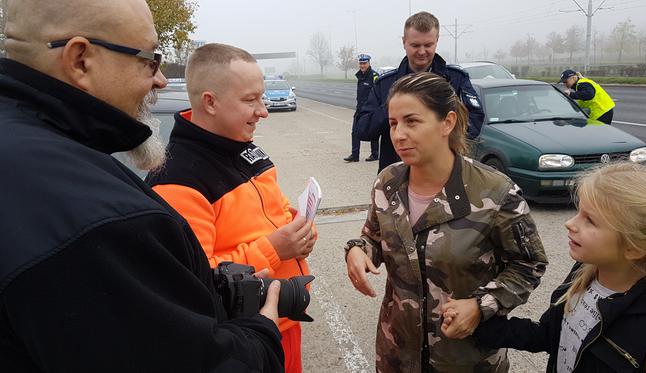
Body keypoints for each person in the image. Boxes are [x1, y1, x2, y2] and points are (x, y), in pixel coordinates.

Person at [0, 1, 284, 372]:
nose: (162, 80)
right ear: (80, 59)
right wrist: (260, 335)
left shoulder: (32, 151)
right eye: (150, 60)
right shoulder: (96, 215)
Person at [344, 72, 548, 372]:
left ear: (447, 123)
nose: (399, 134)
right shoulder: (387, 182)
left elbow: (529, 265)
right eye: (393, 123)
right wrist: (358, 250)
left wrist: (481, 306)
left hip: (466, 358)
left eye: (412, 121)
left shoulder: (495, 192)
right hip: (397, 355)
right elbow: (374, 237)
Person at [145, 43, 316, 373]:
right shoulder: (178, 181)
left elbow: (277, 208)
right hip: (243, 341)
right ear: (210, 102)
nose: (263, 110)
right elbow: (197, 281)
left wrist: (300, 228)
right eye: (250, 100)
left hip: (282, 319)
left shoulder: (244, 147)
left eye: (261, 97)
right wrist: (274, 249)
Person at [452, 162, 646, 373]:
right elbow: (550, 334)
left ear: (635, 248)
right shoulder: (584, 272)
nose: (570, 223)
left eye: (589, 220)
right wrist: (479, 321)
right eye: (578, 212)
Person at [355, 11, 485, 173]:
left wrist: (440, 141)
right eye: (415, 45)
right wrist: (393, 107)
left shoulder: (456, 80)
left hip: (444, 174)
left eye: (428, 45)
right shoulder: (385, 85)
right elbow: (363, 129)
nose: (422, 51)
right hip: (397, 177)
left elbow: (475, 120)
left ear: (437, 41)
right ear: (404, 42)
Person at [343, 53, 379, 163]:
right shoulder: (360, 76)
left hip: (371, 109)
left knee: (373, 132)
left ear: (369, 63)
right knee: (355, 132)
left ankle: (374, 154)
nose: (362, 65)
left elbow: (378, 93)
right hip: (360, 109)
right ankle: (355, 155)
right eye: (361, 63)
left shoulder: (374, 76)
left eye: (364, 63)